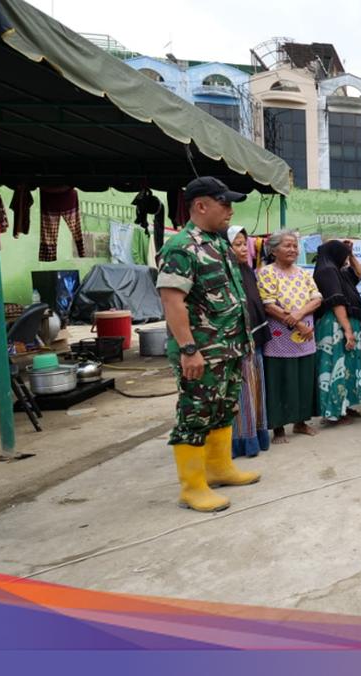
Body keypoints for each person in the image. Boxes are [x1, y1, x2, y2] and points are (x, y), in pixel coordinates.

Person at [156, 176, 260, 513]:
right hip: (202, 350)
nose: (230, 210)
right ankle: (192, 487)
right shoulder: (181, 247)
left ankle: (219, 468)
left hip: (229, 346)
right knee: (195, 414)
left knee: (224, 407)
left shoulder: (217, 243)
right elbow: (172, 301)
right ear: (201, 205)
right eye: (224, 203)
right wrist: (189, 349)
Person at [257, 230, 323, 444]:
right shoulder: (266, 272)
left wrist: (299, 316)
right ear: (273, 250)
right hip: (280, 338)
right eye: (287, 245)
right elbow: (268, 305)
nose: (293, 249)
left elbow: (317, 298)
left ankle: (300, 422)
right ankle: (278, 428)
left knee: (303, 380)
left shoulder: (304, 273)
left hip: (305, 336)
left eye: (295, 246)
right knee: (280, 381)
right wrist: (296, 322)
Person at [226, 226, 271, 458]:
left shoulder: (247, 271)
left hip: (255, 341)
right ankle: (240, 441)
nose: (244, 249)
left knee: (255, 391)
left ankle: (255, 436)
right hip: (237, 343)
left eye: (245, 244)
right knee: (241, 393)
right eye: (237, 244)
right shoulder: (225, 275)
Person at [313, 240, 361, 425]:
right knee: (335, 366)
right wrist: (347, 329)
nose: (346, 259)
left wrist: (350, 254)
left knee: (347, 368)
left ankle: (344, 406)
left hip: (345, 324)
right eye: (343, 255)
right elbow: (336, 302)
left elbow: (359, 274)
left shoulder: (338, 271)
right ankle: (333, 411)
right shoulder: (327, 271)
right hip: (335, 326)